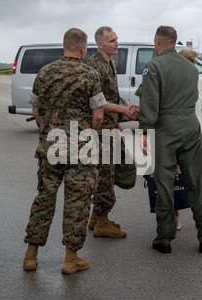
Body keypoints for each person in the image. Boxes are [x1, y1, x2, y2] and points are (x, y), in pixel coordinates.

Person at [23, 28, 108, 275]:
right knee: (77, 202)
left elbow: (35, 110)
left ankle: (31, 255)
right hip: (80, 148)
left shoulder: (45, 72)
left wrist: (46, 129)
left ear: (64, 46)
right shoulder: (89, 74)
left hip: (51, 145)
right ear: (83, 49)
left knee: (44, 198)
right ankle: (71, 259)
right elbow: (99, 114)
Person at [138, 26, 202, 254]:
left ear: (158, 42)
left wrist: (145, 131)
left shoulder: (153, 66)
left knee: (164, 183)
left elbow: (150, 103)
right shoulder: (191, 68)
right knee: (200, 181)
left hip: (165, 129)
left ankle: (164, 238)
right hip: (191, 126)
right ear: (175, 41)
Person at [87, 26, 138, 239]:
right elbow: (98, 102)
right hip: (100, 130)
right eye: (111, 40)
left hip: (110, 126)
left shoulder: (111, 63)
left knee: (110, 172)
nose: (116, 43)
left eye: (116, 39)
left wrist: (119, 118)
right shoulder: (95, 66)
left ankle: (96, 217)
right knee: (105, 176)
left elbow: (113, 96)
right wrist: (124, 111)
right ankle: (102, 223)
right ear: (100, 44)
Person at [174, 49, 202, 231]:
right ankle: (176, 215)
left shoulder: (200, 80)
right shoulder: (172, 78)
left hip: (193, 134)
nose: (191, 65)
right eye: (188, 61)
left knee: (193, 178)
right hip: (176, 134)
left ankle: (199, 216)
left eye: (192, 62)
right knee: (176, 176)